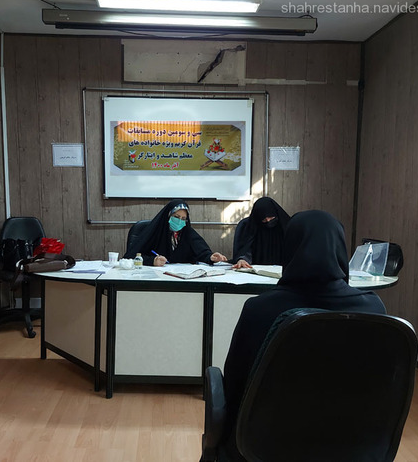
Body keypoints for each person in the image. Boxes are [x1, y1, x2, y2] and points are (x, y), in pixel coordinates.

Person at [219, 210, 387, 461]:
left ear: (290, 248)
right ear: (340, 248)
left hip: (266, 443)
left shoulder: (260, 309)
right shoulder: (373, 309)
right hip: (353, 443)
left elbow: (235, 383)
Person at [123, 199, 227, 266]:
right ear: (167, 216)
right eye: (176, 217)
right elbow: (131, 257)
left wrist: (211, 257)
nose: (179, 221)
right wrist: (152, 261)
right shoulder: (155, 231)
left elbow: (201, 252)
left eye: (183, 219)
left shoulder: (188, 233)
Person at [232, 197, 291, 269]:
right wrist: (242, 260)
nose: (268, 221)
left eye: (271, 217)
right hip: (255, 270)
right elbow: (245, 250)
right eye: (264, 219)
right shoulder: (251, 227)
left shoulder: (286, 226)